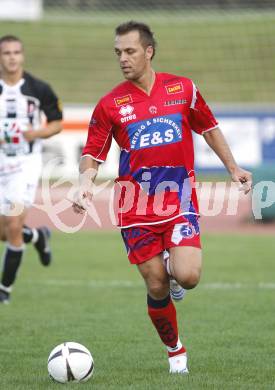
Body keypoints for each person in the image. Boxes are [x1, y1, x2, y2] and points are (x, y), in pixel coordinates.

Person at [73, 21, 252, 374]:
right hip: (134, 205)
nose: (123, 59)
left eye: (130, 51)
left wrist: (233, 168)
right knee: (156, 283)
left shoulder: (183, 89)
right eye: (118, 53)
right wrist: (85, 181)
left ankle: (173, 268)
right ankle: (176, 353)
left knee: (188, 277)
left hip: (179, 199)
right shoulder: (111, 103)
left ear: (149, 51)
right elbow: (93, 152)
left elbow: (210, 128)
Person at [0, 35, 63, 304]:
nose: (12, 57)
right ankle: (38, 236)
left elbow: (57, 123)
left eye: (16, 52)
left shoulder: (39, 88)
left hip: (25, 164)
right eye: (6, 53)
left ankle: (5, 288)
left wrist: (34, 132)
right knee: (6, 231)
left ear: (22, 55)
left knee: (14, 223)